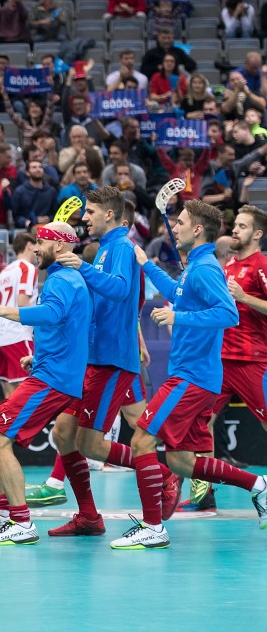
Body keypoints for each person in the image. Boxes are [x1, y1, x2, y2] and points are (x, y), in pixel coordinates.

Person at [116, 201, 267, 548]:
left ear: (198, 229)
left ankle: (152, 528)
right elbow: (175, 294)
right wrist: (146, 265)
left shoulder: (206, 269)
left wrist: (177, 319)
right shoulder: (196, 268)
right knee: (181, 461)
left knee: (141, 440)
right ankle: (258, 486)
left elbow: (229, 314)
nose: (175, 226)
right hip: (196, 376)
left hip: (191, 377)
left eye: (180, 222)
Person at [38, 187, 164, 537]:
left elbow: (122, 289)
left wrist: (81, 267)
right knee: (64, 434)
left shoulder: (122, 246)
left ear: (109, 215)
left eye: (91, 212)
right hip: (90, 358)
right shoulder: (106, 250)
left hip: (111, 359)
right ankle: (89, 516)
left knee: (91, 443)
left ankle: (159, 472)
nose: (85, 218)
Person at [0, 222, 92, 545]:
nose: (35, 248)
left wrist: (1, 310)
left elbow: (51, 314)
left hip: (54, 379)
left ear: (60, 247)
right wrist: (36, 358)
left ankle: (21, 521)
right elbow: (64, 326)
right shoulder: (66, 278)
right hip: (50, 370)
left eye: (41, 242)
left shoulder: (62, 279)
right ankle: (4, 514)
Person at [181, 206, 267, 511]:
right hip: (220, 361)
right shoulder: (228, 263)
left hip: (251, 360)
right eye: (235, 225)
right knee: (200, 424)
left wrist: (244, 297)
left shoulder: (261, 266)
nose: (235, 230)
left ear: (257, 234)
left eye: (243, 226)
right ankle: (204, 495)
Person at [0, 233, 39, 399]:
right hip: (17, 334)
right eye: (37, 244)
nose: (39, 249)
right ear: (29, 245)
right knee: (28, 387)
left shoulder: (4, 272)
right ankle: (25, 426)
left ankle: (6, 425)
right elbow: (23, 302)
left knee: (10, 390)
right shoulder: (27, 268)